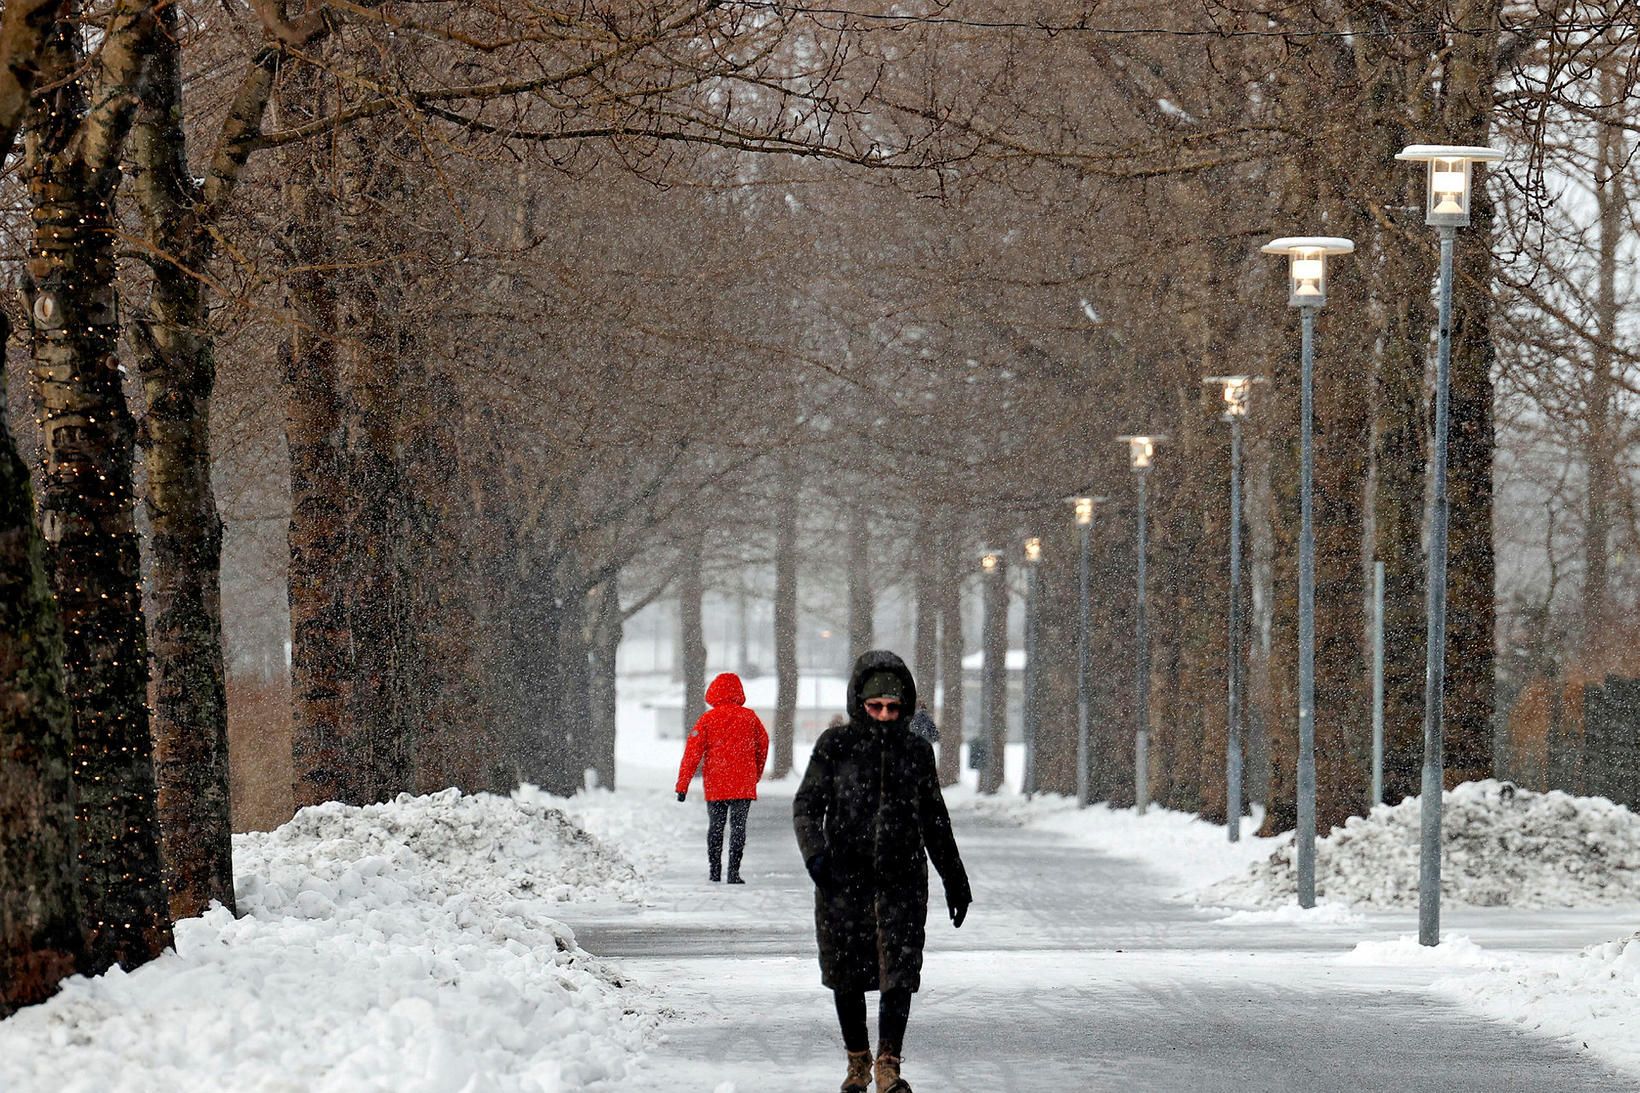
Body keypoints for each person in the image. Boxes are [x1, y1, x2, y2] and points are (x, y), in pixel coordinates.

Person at [794, 650, 971, 1093]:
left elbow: (935, 820)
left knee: (901, 972)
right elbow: (807, 806)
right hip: (842, 880)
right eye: (876, 707)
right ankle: (857, 1062)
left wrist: (955, 879)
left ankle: (888, 1065)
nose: (885, 716)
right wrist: (816, 856)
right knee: (845, 973)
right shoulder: (834, 747)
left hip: (902, 881)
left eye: (893, 708)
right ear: (860, 703)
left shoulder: (916, 752)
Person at [675, 672, 769, 884]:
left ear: (714, 692)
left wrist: (683, 785)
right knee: (738, 828)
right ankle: (734, 872)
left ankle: (714, 870)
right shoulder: (750, 718)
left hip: (716, 783)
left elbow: (692, 753)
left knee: (716, 827)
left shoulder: (707, 720)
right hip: (742, 784)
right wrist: (756, 774)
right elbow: (763, 745)